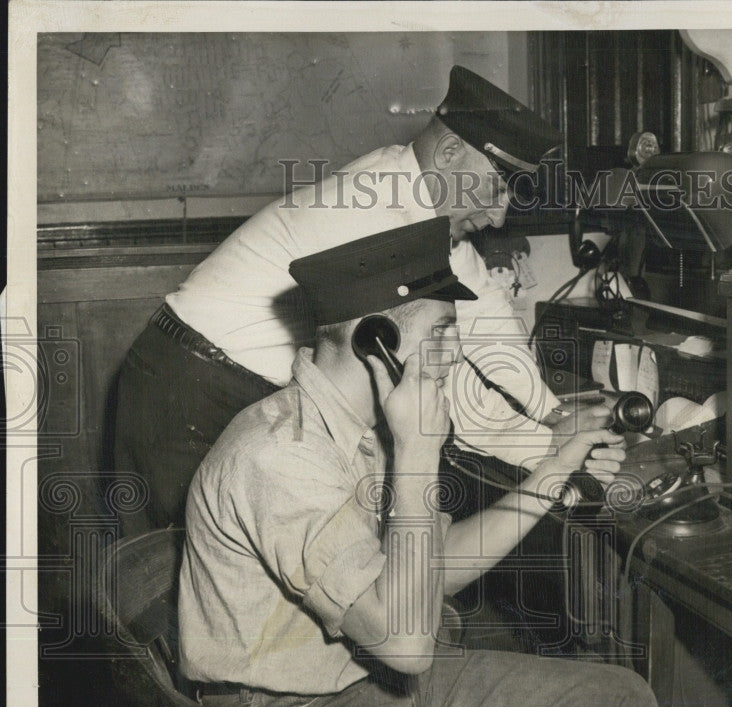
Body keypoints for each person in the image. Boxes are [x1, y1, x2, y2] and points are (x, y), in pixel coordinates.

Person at [177, 218, 659, 707]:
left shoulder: (367, 428)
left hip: (368, 677)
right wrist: (416, 455)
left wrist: (554, 469)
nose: (453, 355)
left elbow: (438, 568)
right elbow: (406, 643)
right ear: (375, 341)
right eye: (441, 333)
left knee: (621, 701)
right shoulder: (277, 455)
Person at [115, 64, 606, 535]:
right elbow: (428, 379)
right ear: (452, 152)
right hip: (192, 388)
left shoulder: (423, 205)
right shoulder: (376, 211)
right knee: (191, 595)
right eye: (498, 189)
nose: (499, 218)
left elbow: (486, 314)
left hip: (239, 388)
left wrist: (549, 410)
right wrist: (551, 449)